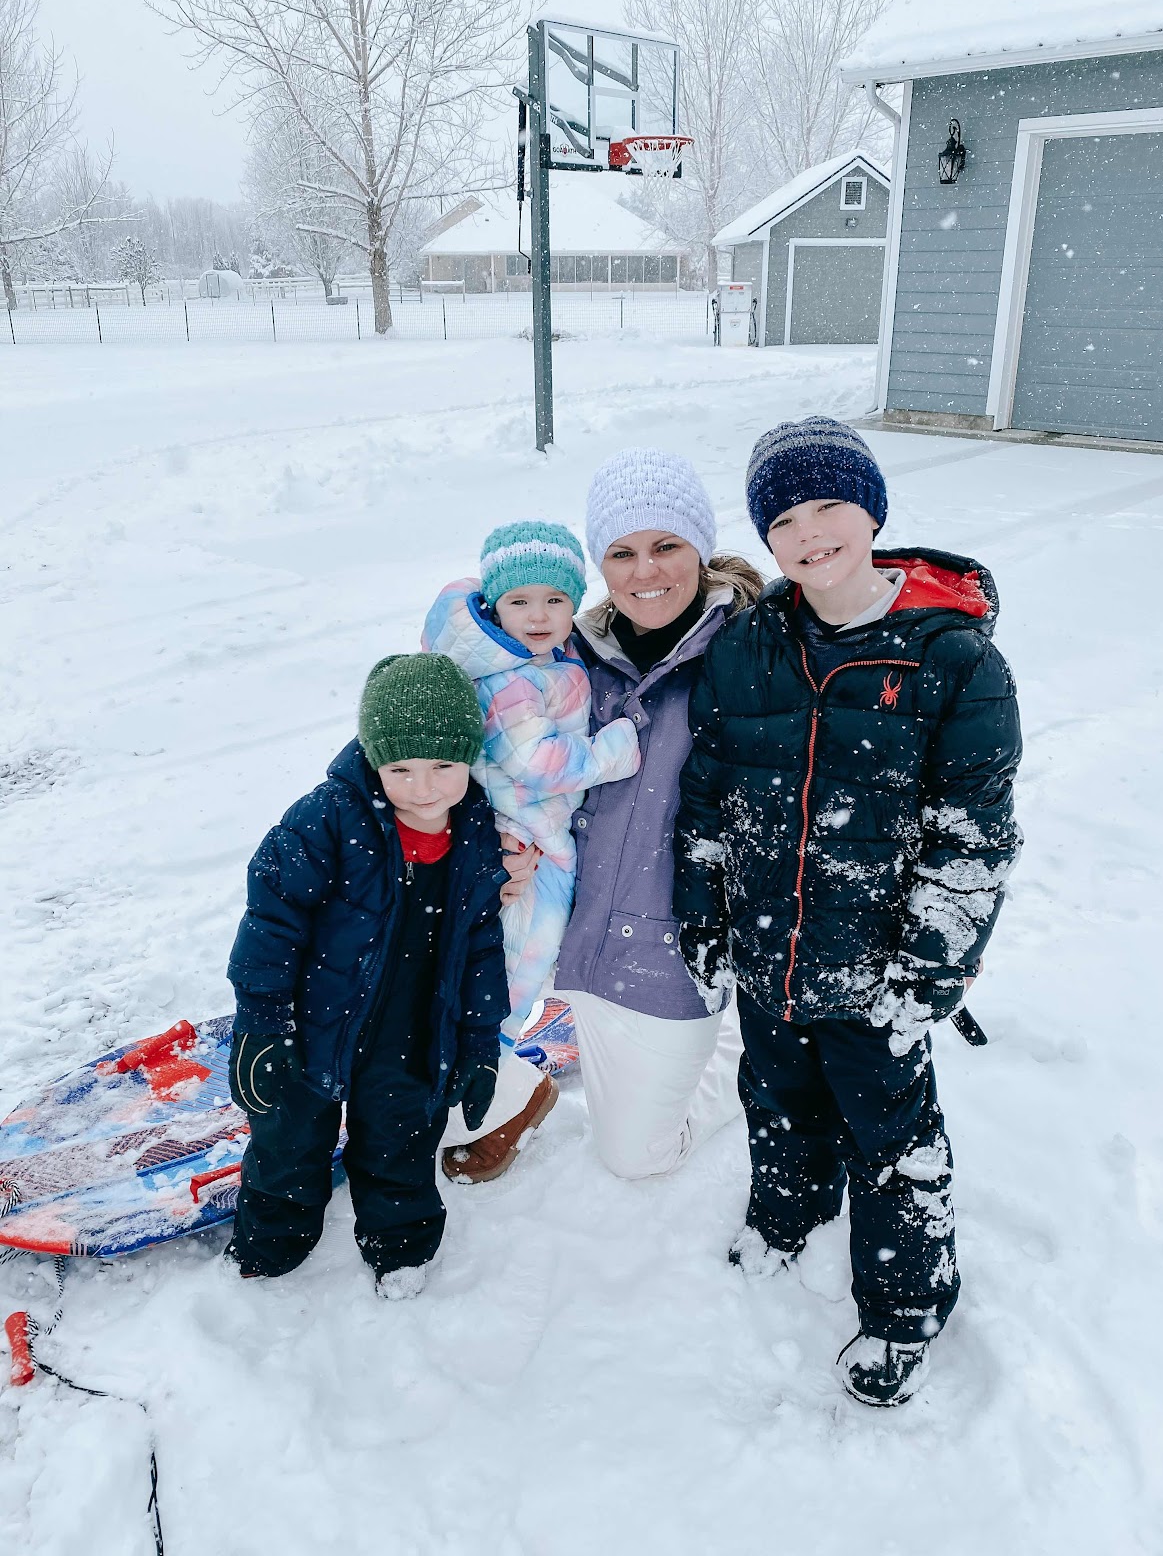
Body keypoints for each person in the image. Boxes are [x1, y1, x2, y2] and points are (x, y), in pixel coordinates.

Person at [673, 416, 1023, 1406]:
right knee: (777, 1098)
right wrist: (703, 913)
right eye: (783, 519)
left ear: (871, 513)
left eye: (828, 505)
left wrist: (933, 969)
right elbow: (707, 795)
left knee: (893, 1137)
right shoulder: (747, 649)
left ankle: (905, 1307)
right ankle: (785, 1216)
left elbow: (972, 838)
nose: (808, 533)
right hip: (768, 946)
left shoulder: (953, 661)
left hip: (879, 968)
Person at [224, 652, 508, 1297]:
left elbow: (481, 944)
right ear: (374, 760)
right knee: (288, 1141)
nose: (424, 788)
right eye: (400, 768)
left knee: (401, 1141)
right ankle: (271, 1244)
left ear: (469, 759)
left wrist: (478, 1041)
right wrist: (262, 1021)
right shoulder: (327, 818)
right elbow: (272, 920)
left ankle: (401, 1247)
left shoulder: (475, 831)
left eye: (443, 766)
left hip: (412, 1026)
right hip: (313, 1019)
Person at [551, 448, 763, 1180]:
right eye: (622, 553)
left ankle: (739, 1046)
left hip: (666, 952)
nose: (646, 571)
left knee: (636, 1157)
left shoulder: (753, 656)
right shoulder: (569, 652)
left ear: (700, 548)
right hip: (558, 935)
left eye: (666, 545)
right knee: (450, 1095)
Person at [421, 521, 642, 1181]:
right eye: (520, 601)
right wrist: (613, 750)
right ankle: (490, 1094)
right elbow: (536, 760)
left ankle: (493, 1074)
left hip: (537, 838)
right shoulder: (508, 678)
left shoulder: (539, 657)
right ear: (495, 606)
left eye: (555, 599)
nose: (539, 615)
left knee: (521, 968)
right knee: (509, 976)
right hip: (526, 846)